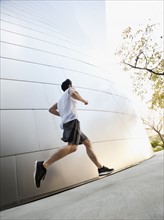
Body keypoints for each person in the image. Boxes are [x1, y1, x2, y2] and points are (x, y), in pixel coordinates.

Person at [34, 79, 114, 188]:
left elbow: (51, 109)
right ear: (70, 85)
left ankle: (100, 168)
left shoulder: (61, 100)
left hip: (68, 123)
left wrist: (62, 115)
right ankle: (43, 165)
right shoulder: (70, 90)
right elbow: (74, 93)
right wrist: (83, 100)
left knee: (87, 142)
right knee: (72, 147)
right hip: (72, 122)